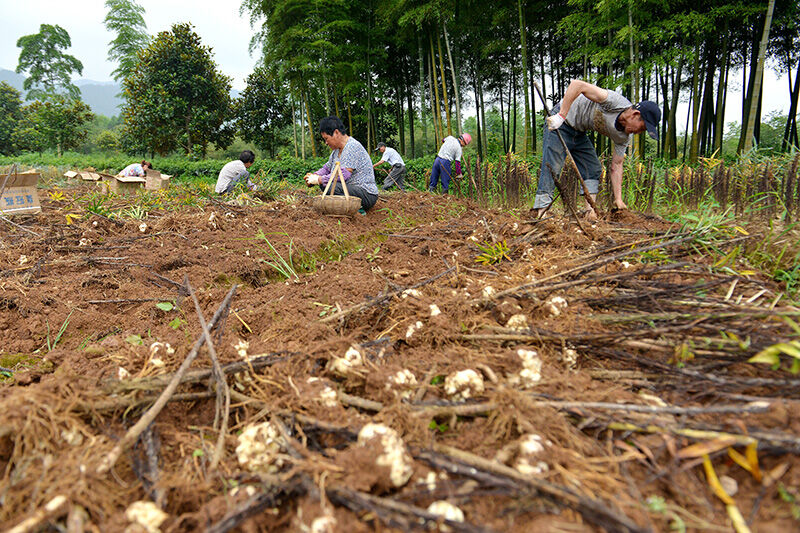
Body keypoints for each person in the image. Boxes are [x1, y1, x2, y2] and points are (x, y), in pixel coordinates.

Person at [533, 79, 660, 220]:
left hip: (579, 131)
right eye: (642, 128)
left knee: (592, 168)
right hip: (562, 123)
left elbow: (617, 165)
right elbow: (577, 85)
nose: (639, 133)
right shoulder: (614, 102)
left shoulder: (624, 137)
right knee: (552, 166)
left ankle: (590, 213)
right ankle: (542, 212)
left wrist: (618, 199)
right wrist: (561, 116)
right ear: (635, 115)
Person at [305, 116, 379, 212]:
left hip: (366, 193)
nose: (326, 143)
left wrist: (319, 179)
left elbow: (344, 174)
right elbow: (326, 168)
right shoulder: (336, 151)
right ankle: (344, 208)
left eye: (326, 138)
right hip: (350, 191)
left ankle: (357, 210)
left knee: (330, 186)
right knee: (325, 184)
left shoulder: (352, 147)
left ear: (336, 133)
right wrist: (314, 175)